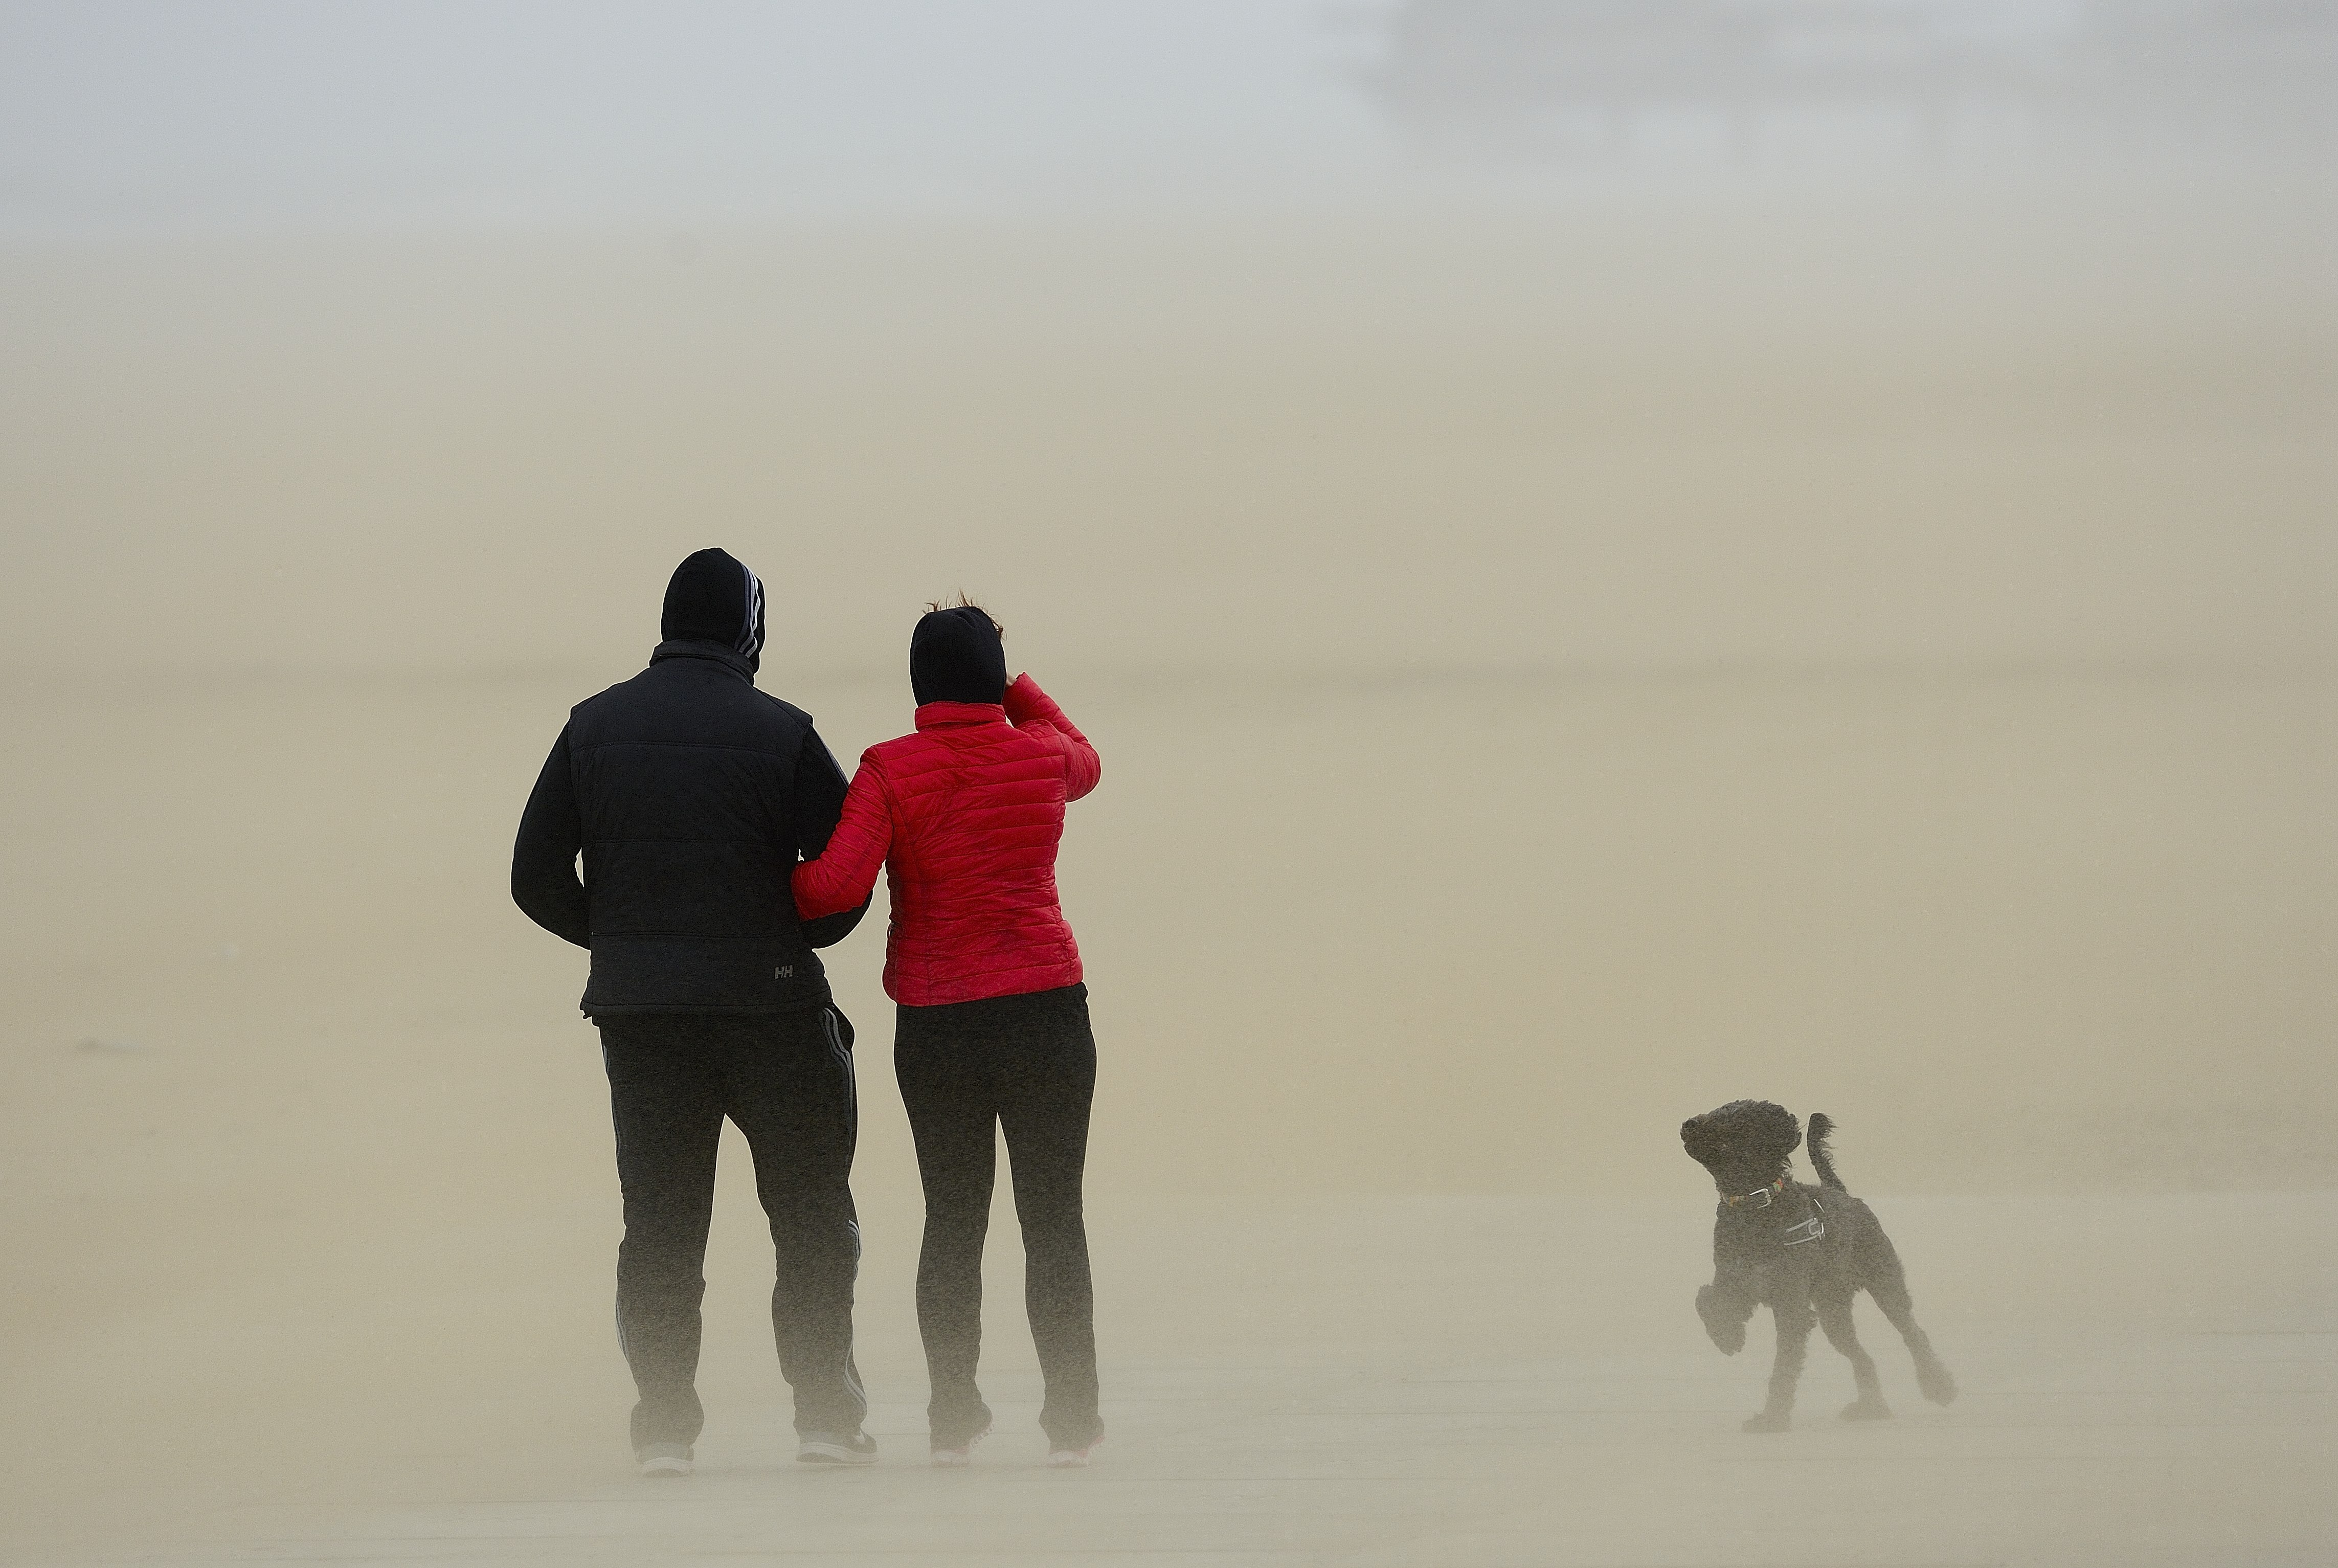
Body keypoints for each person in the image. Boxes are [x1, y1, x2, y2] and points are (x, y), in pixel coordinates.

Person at [510, 548, 878, 1477]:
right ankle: (826, 1418)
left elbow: (531, 877)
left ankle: (666, 1428)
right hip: (774, 1012)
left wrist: (623, 941)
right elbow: (844, 881)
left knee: (663, 1227)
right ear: (750, 628)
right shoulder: (783, 732)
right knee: (810, 1214)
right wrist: (794, 933)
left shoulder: (592, 728)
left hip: (645, 1021)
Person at [792, 602, 1106, 1467]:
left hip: (939, 1024)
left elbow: (830, 886)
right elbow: (1089, 756)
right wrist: (1016, 687)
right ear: (990, 678)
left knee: (953, 1217)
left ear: (918, 682)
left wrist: (752, 877)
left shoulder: (890, 770)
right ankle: (1073, 1423)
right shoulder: (1042, 755)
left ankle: (953, 1418)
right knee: (1055, 1220)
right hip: (1048, 1005)